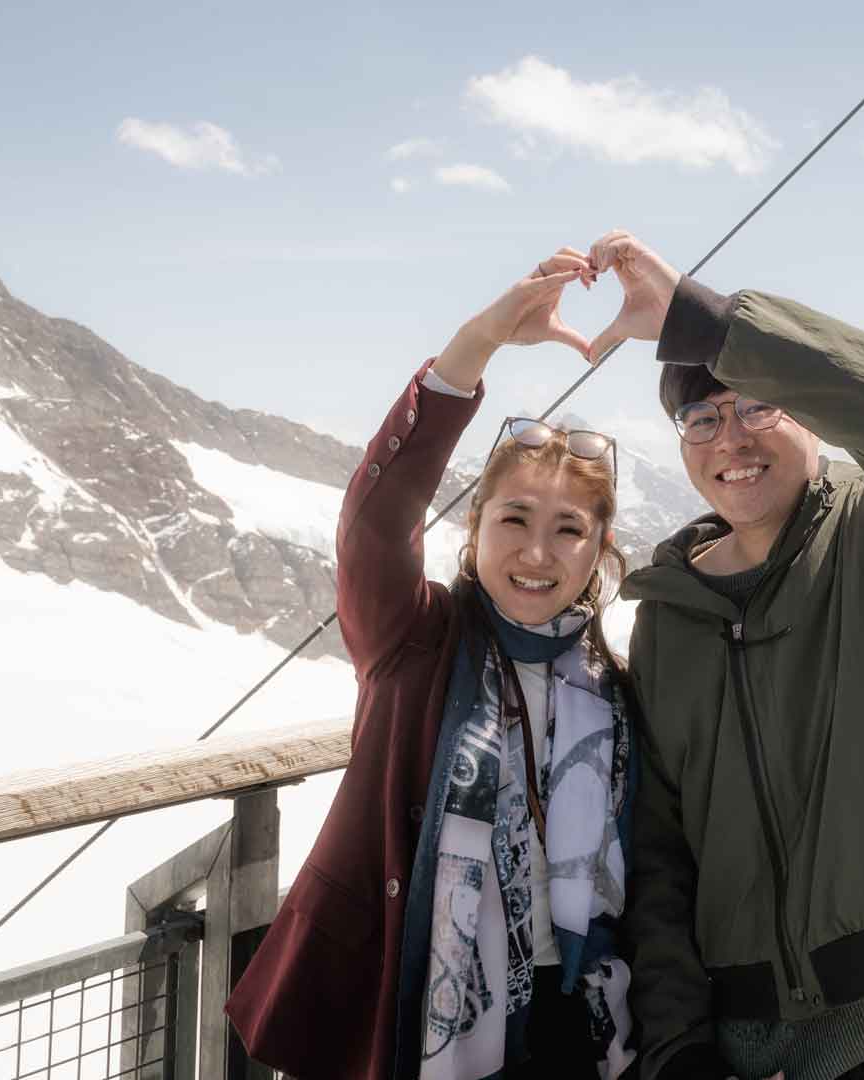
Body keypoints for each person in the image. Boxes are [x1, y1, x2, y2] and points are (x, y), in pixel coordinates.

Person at [591, 229, 864, 1080]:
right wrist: (678, 1043)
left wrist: (705, 323)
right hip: (755, 1035)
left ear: (811, 418)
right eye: (701, 418)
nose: (730, 440)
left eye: (757, 406)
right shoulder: (668, 617)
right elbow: (661, 847)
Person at [225, 249, 641, 1080]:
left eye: (568, 529)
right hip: (420, 1018)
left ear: (600, 549)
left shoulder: (613, 685)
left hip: (582, 1031)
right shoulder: (415, 639)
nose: (536, 551)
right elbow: (376, 521)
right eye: (514, 519)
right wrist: (475, 347)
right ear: (475, 525)